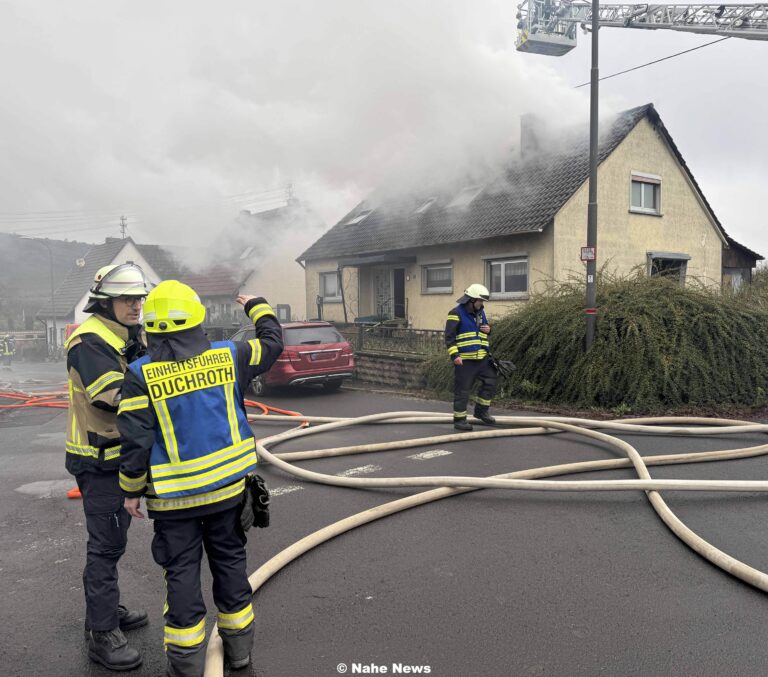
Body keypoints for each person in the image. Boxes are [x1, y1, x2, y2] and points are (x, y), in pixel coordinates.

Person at [117, 281, 283, 677]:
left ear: (150, 328)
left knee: (182, 578)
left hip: (174, 504)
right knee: (230, 566)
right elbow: (273, 341)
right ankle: (239, 653)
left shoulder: (140, 374)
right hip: (228, 494)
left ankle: (187, 666)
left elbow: (135, 440)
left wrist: (129, 492)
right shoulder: (230, 356)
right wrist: (257, 305)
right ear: (197, 319)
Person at [64, 263, 151, 671]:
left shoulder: (127, 335)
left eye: (139, 298)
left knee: (112, 541)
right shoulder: (89, 341)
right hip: (98, 461)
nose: (136, 305)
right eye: (127, 299)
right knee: (106, 546)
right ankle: (102, 634)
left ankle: (102, 613)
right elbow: (110, 397)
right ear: (105, 302)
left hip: (118, 457)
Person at [444, 283, 498, 431]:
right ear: (471, 300)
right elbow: (449, 337)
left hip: (482, 358)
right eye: (480, 301)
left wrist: (489, 330)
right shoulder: (455, 313)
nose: (482, 304)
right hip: (465, 360)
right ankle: (460, 420)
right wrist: (455, 355)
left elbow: (481, 332)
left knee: (491, 381)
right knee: (463, 390)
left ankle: (481, 412)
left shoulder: (480, 313)